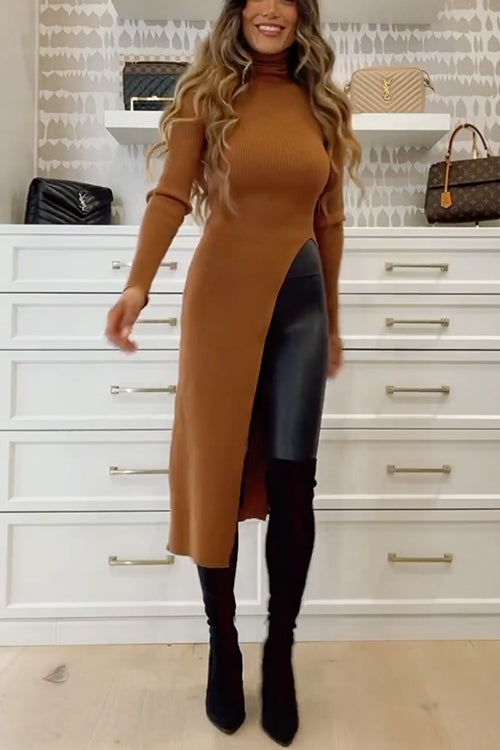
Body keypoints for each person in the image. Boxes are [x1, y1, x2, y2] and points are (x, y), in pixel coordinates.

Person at [106, 0, 361, 745]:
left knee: (293, 481)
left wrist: (333, 323)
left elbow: (328, 222)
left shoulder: (323, 104)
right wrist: (137, 285)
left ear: (301, 13)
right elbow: (169, 196)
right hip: (219, 304)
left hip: (301, 308)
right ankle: (223, 643)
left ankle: (279, 653)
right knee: (214, 474)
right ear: (240, 10)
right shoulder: (206, 92)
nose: (271, 9)